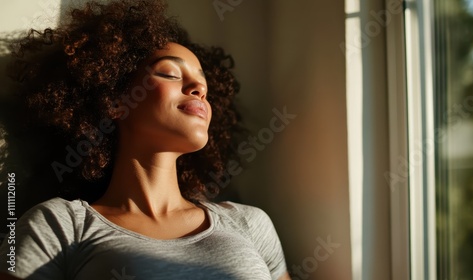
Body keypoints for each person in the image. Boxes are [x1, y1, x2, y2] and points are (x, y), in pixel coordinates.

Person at [0, 0, 290, 279]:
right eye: (170, 73)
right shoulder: (58, 225)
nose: (199, 88)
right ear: (114, 102)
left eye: (203, 84)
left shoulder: (250, 223)